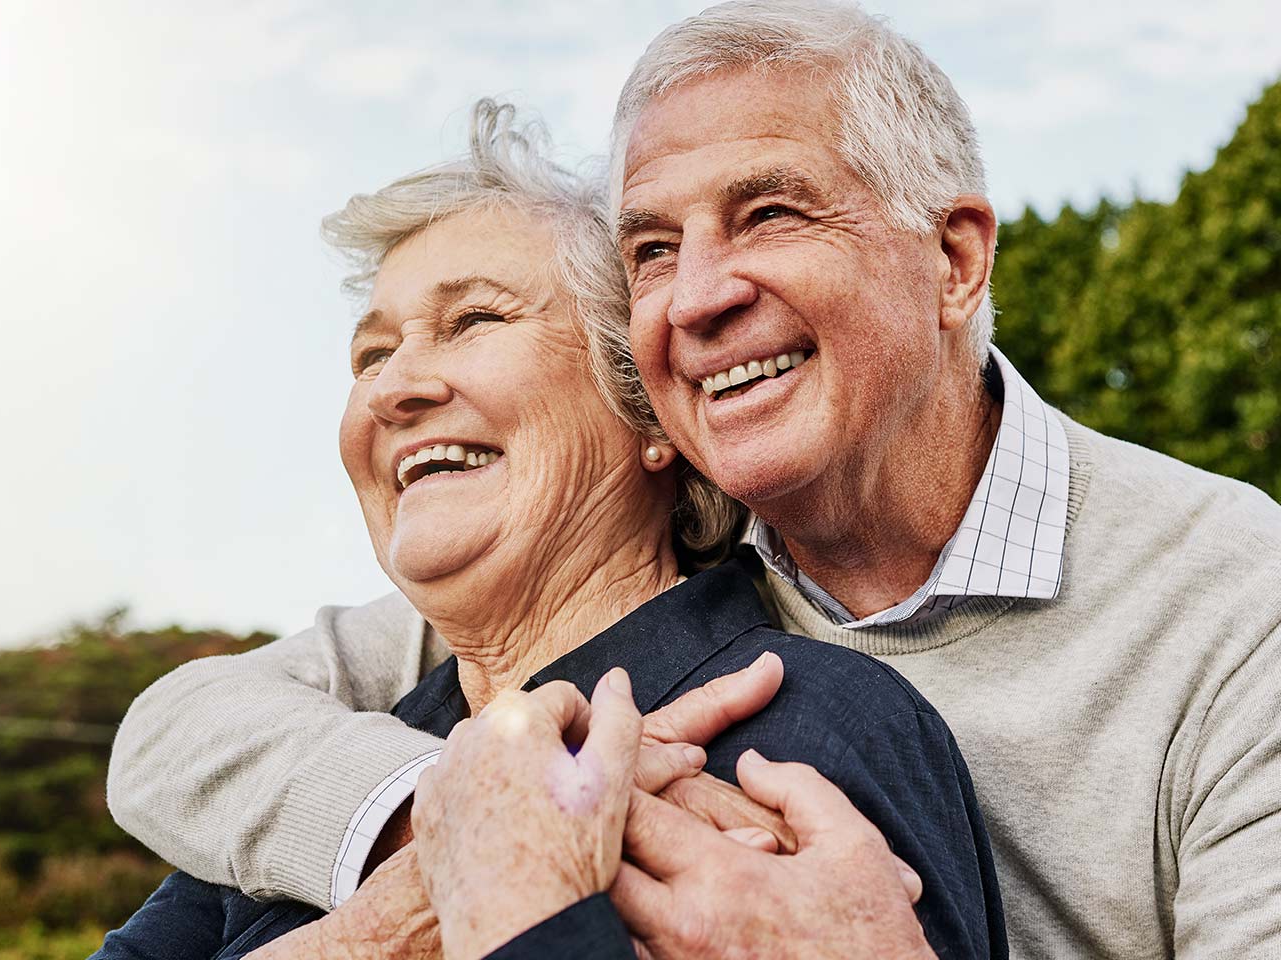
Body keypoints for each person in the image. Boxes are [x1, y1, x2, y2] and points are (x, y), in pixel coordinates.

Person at [109, 2, 1281, 957]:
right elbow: (176, 730)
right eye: (653, 251)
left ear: (955, 259)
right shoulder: (487, 676)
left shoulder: (1235, 603)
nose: (699, 296)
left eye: (770, 212)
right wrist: (464, 828)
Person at [91, 99, 1003, 960]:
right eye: (370, 353)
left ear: (648, 413)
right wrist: (383, 926)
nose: (391, 387)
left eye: (473, 319)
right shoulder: (344, 769)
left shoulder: (807, 730)